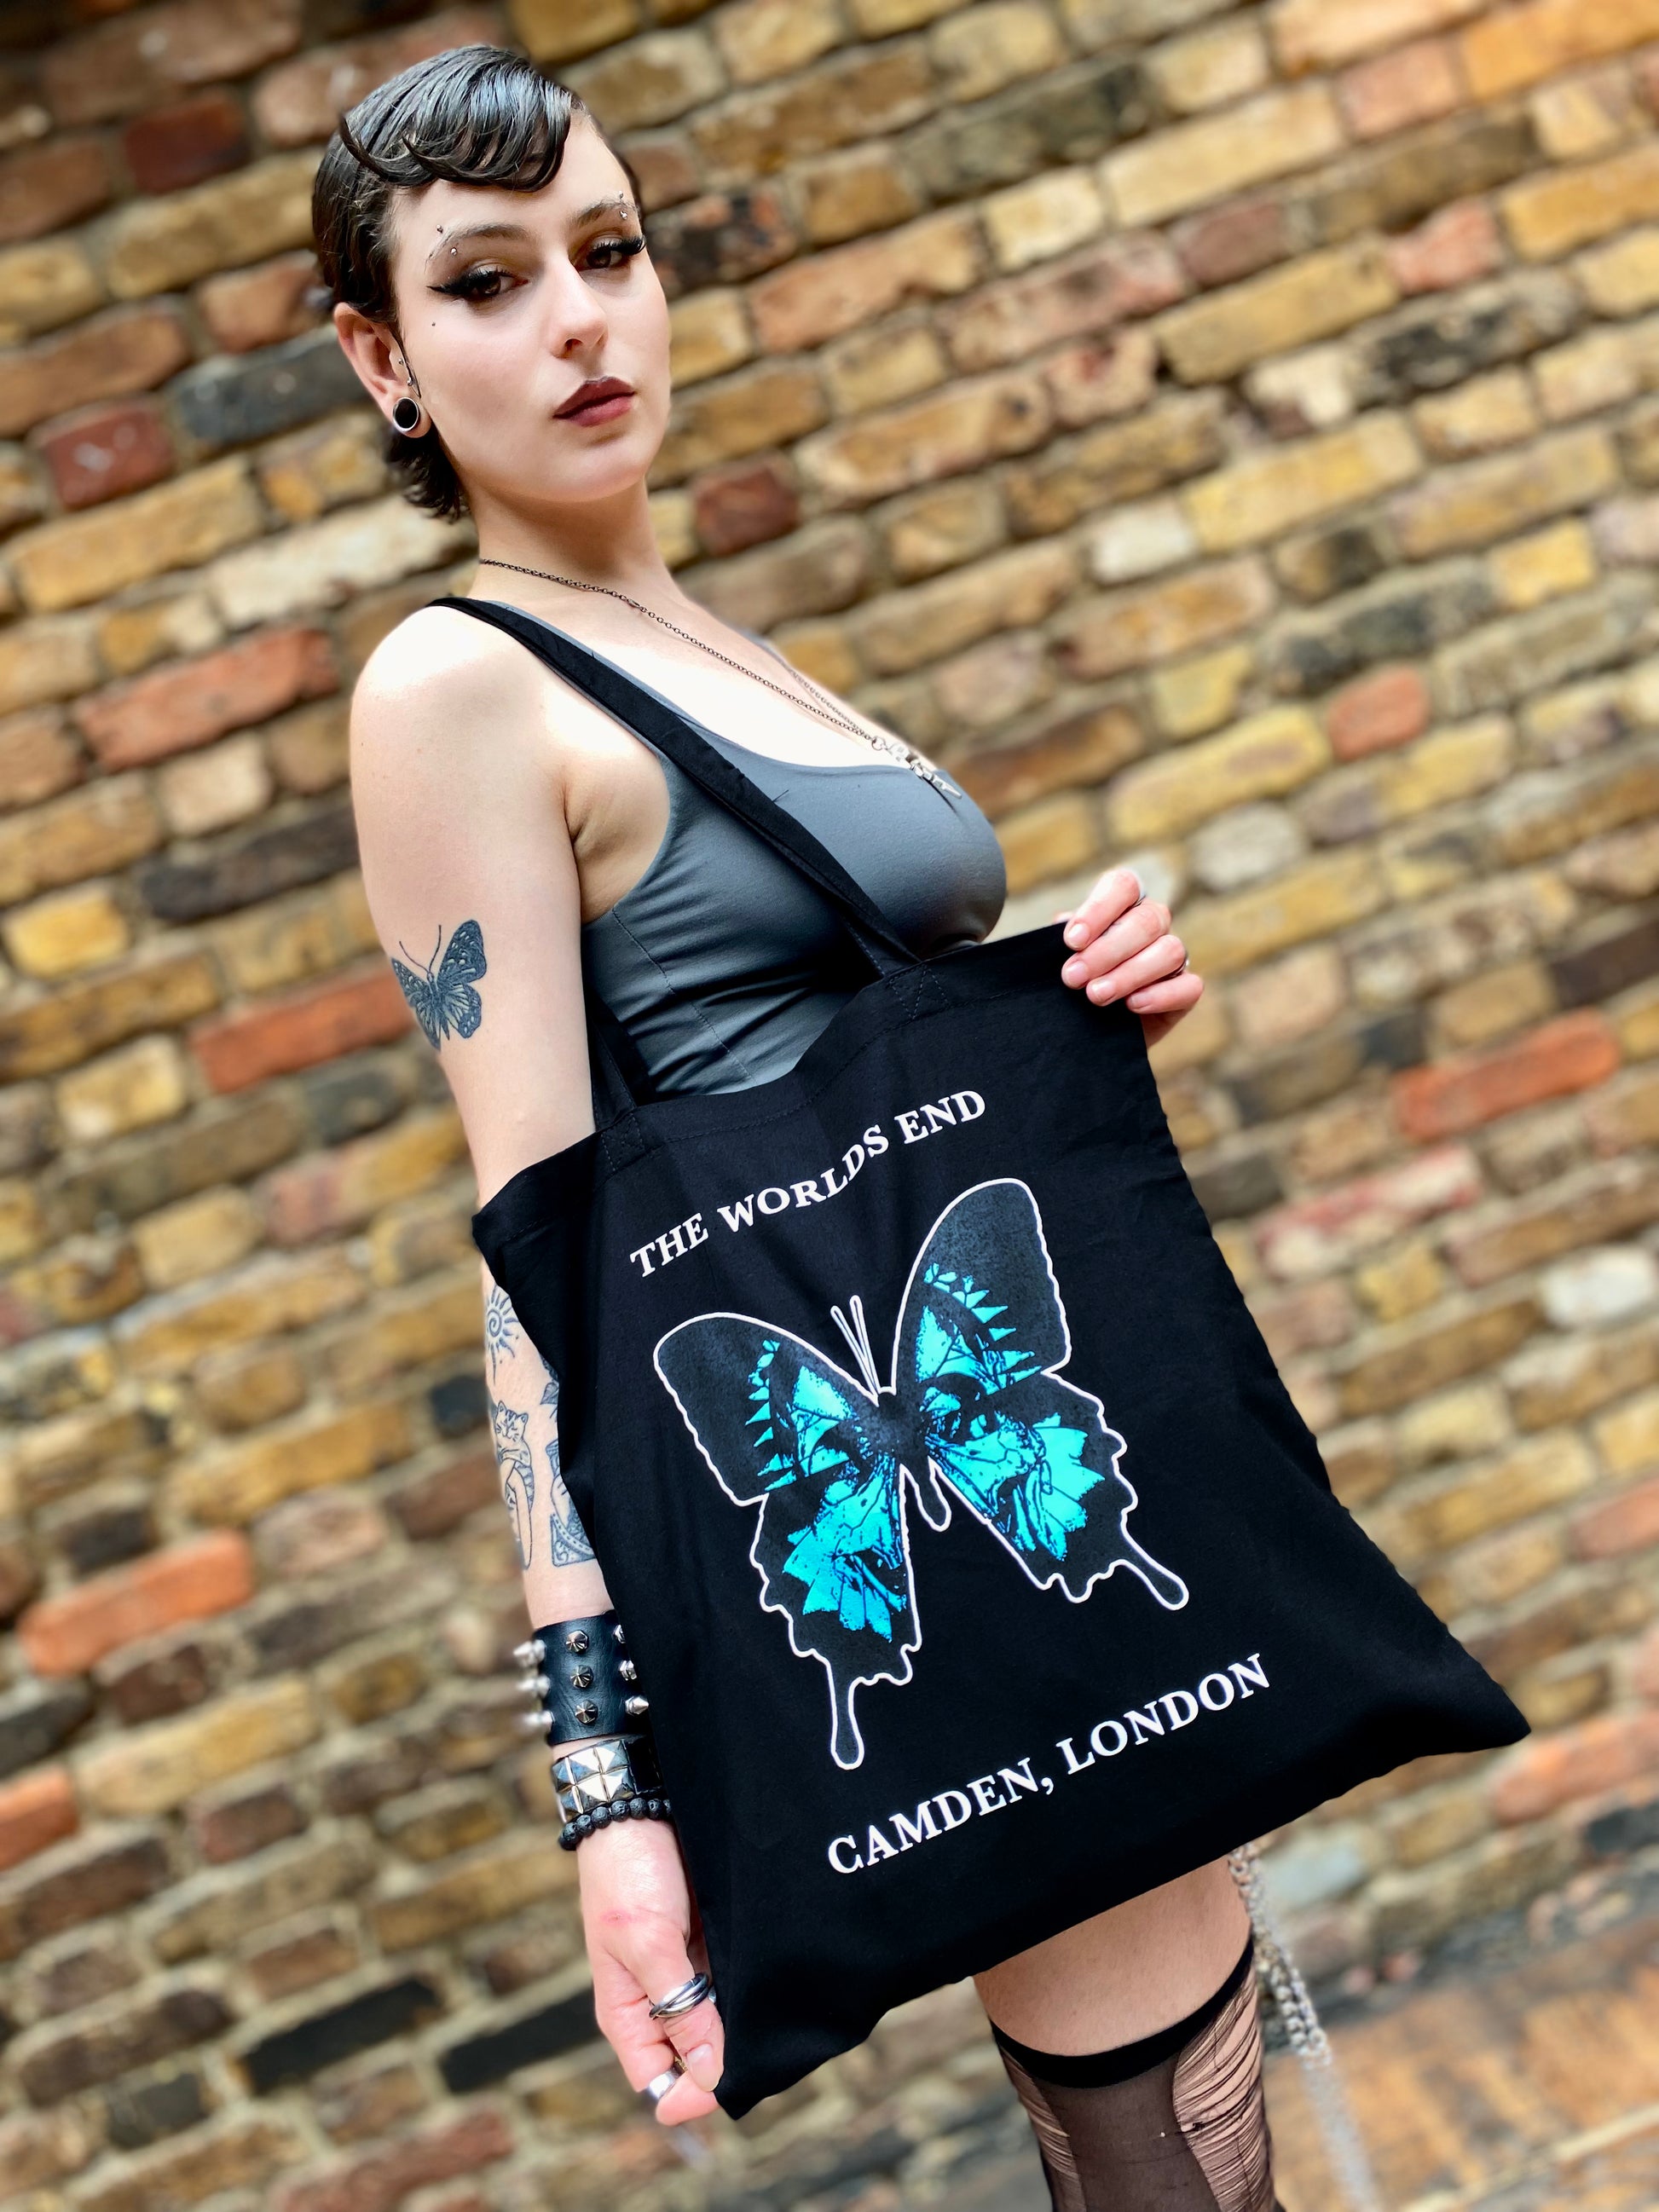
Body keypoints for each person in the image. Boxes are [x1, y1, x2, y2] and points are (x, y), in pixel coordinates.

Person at [319, 45, 1277, 2211]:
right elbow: (540, 1250)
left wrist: (1076, 961)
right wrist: (604, 1783)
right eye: (488, 283)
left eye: (609, 251)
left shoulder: (675, 630)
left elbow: (815, 1016)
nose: (580, 319)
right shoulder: (457, 688)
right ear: (382, 358)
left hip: (988, 1472)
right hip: (910, 1560)